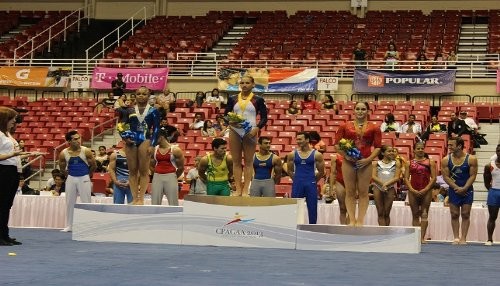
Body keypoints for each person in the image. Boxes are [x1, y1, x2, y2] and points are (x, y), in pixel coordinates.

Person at [335, 102, 382, 226]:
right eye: (358, 109)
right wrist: (346, 156)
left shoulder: (375, 127)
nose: (360, 111)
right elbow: (336, 145)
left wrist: (368, 160)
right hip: (348, 162)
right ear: (354, 111)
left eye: (363, 109)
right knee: (350, 191)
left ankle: (360, 220)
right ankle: (351, 220)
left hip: (365, 162)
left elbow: (378, 147)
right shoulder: (344, 126)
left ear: (368, 111)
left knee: (363, 192)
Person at [224, 75, 268, 197]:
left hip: (250, 132)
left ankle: (245, 190)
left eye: (247, 83)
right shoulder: (232, 98)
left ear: (253, 84)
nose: (244, 85)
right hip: (235, 131)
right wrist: (229, 121)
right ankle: (238, 189)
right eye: (242, 83)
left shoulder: (258, 99)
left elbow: (264, 117)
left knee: (248, 162)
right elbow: (226, 115)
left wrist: (257, 128)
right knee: (236, 162)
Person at [118, 86, 162, 205]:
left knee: (143, 171)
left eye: (144, 94)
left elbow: (157, 128)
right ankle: (134, 198)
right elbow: (121, 125)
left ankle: (141, 198)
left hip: (145, 140)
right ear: (135, 95)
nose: (141, 96)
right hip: (131, 141)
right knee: (132, 171)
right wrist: (124, 137)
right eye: (138, 94)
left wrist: (152, 144)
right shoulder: (130, 110)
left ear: (149, 96)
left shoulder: (153, 111)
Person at [441, 136, 478, 245]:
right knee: (454, 214)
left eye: (451, 145)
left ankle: (463, 238)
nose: (449, 147)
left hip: (467, 189)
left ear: (459, 146)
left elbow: (473, 175)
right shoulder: (446, 160)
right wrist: (456, 188)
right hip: (454, 189)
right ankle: (456, 237)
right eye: (448, 145)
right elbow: (445, 177)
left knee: (466, 214)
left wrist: (465, 187)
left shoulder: (471, 159)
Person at [58, 130, 96, 232]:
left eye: (79, 138)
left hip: (84, 177)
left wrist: (87, 175)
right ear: (69, 141)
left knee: (86, 202)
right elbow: (61, 168)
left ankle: (88, 226)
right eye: (75, 139)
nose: (78, 140)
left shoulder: (86, 151)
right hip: (71, 178)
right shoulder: (63, 153)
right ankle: (69, 226)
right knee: (69, 202)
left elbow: (94, 165)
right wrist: (69, 175)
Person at [287, 132, 325, 224]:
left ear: (307, 140)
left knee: (312, 209)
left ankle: (312, 229)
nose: (298, 141)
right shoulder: (292, 154)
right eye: (297, 139)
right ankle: (295, 228)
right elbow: (289, 171)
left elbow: (321, 172)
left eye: (300, 139)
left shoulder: (317, 154)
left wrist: (313, 181)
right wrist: (296, 180)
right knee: (295, 209)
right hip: (298, 184)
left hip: (310, 184)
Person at [404, 142, 437, 243]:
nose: (420, 150)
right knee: (415, 214)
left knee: (424, 213)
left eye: (422, 148)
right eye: (418, 148)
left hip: (426, 191)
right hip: (413, 190)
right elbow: (405, 178)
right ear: (414, 150)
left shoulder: (430, 162)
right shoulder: (409, 163)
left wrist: (426, 189)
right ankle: (416, 237)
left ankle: (421, 237)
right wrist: (411, 189)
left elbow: (434, 178)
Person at [0, 107, 23, 245]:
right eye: (12, 118)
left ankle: (4, 234)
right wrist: (12, 155)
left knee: (6, 205)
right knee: (2, 205)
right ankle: (1, 236)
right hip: (3, 170)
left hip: (11, 169)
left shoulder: (7, 134)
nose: (15, 121)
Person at [151, 128, 185, 206]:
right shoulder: (154, 150)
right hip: (157, 176)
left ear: (161, 137)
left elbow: (181, 168)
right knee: (154, 203)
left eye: (155, 137)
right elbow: (151, 165)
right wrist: (156, 174)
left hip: (171, 176)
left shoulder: (176, 150)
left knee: (173, 203)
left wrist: (173, 177)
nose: (153, 140)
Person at [371, 145, 401, 226]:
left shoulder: (396, 163)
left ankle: (386, 233)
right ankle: (382, 233)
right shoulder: (376, 163)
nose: (392, 153)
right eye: (389, 151)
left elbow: (397, 177)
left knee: (386, 213)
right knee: (380, 213)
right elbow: (373, 176)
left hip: (390, 188)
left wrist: (386, 184)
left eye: (392, 151)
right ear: (383, 153)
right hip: (377, 188)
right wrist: (382, 184)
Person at [483, 144, 500, 246]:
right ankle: (489, 239)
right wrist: (491, 190)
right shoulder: (489, 166)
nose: (499, 152)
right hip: (494, 192)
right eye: (498, 150)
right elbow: (486, 181)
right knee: (492, 216)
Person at [326, 152, 348, 224]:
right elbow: (332, 173)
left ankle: (350, 228)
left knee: (350, 209)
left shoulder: (354, 155)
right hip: (340, 182)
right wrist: (331, 189)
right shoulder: (335, 157)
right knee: (342, 208)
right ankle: (343, 228)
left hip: (351, 182)